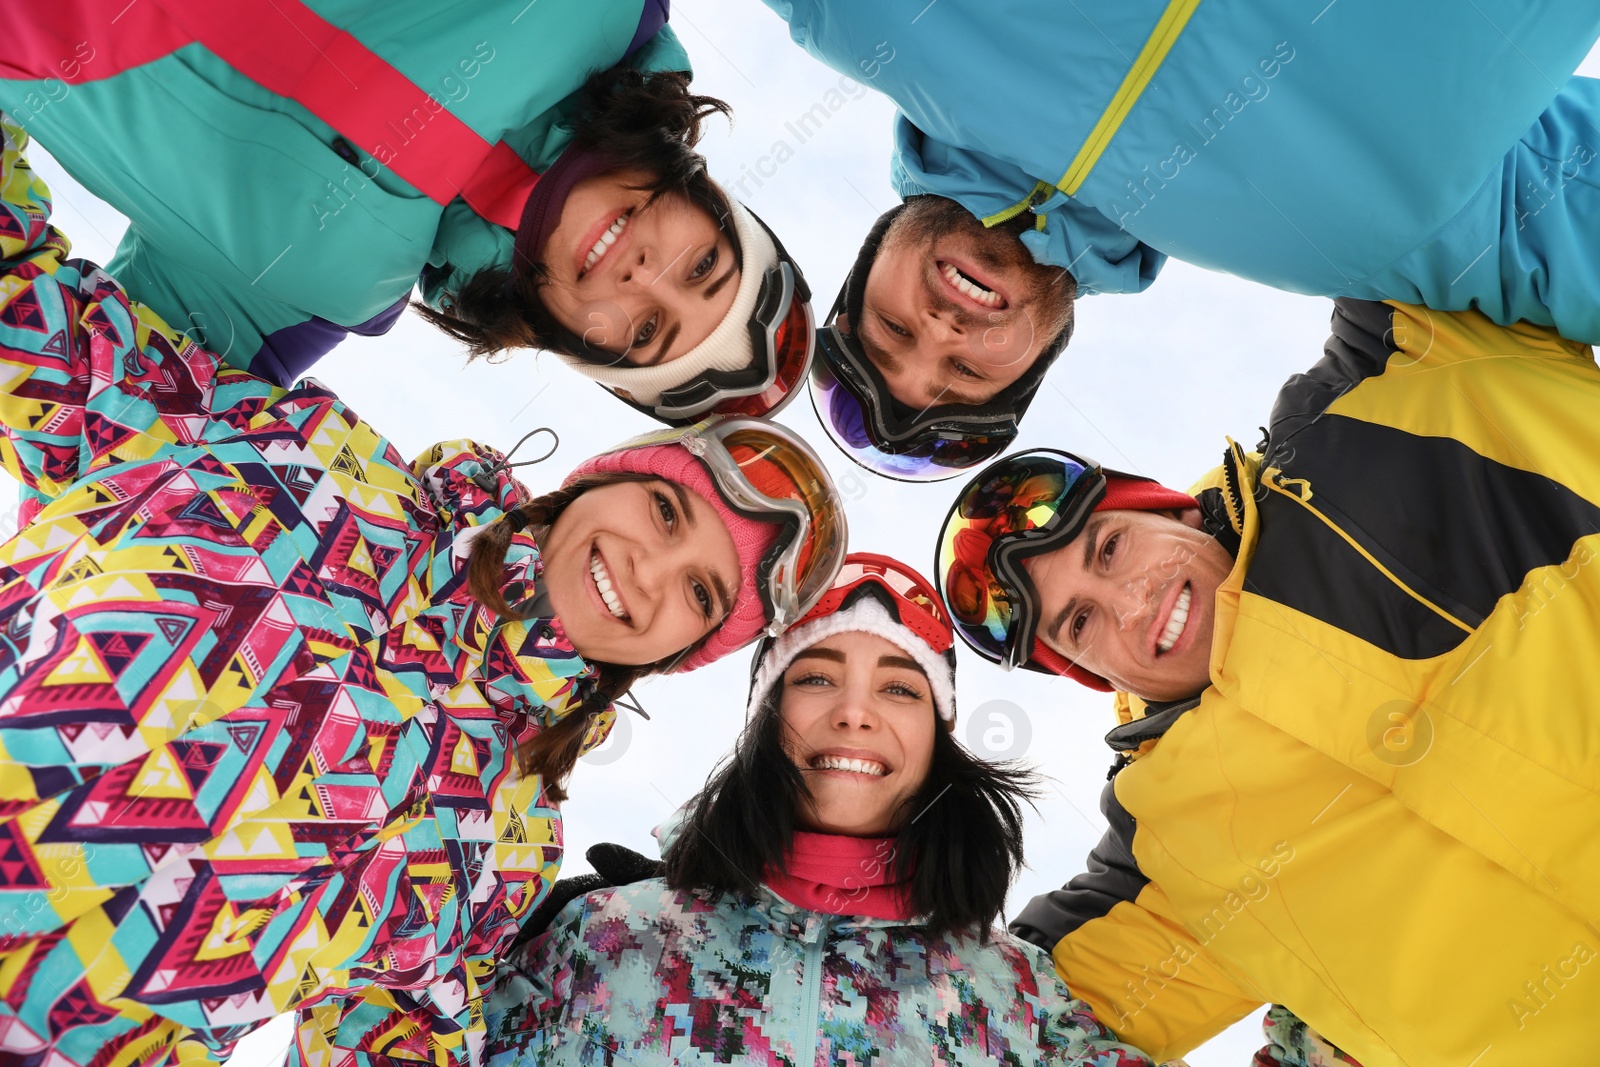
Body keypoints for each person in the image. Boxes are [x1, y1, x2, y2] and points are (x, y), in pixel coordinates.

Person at [0, 118, 846, 1067]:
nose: (648, 570)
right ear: (602, 478)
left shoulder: (504, 848)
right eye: (662, 508)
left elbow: (392, 1038)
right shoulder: (318, 467)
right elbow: (37, 334)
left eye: (700, 591)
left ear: (683, 652)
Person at [931, 297, 1600, 1065]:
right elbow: (987, 1029)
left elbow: (1409, 205)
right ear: (1087, 671)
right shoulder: (1169, 861)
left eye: (1110, 548)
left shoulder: (1377, 409)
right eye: (1079, 623)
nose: (1129, 603)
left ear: (1171, 509)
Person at [758, 0, 1600, 477]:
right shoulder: (1330, 246)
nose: (942, 334)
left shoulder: (859, 18)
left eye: (894, 327)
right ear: (1043, 351)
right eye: (968, 371)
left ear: (872, 260)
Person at [477, 553, 1156, 1067]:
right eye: (817, 677)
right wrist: (470, 929)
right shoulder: (605, 934)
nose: (855, 712)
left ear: (937, 743)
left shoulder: (1014, 993)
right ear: (766, 721)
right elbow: (397, 1028)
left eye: (899, 688)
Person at [0, 1, 816, 424]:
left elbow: (105, 410)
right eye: (703, 264)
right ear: (705, 199)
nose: (649, 279)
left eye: (643, 333)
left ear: (578, 345)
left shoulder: (312, 290)